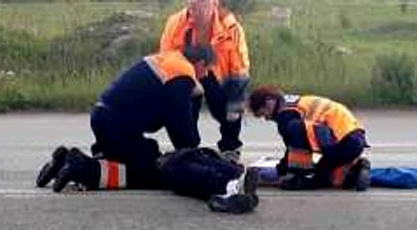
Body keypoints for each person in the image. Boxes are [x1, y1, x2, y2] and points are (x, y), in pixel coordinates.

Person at [35, 47, 213, 193]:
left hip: (105, 116)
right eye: (207, 71)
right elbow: (183, 137)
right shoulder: (181, 75)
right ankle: (82, 169)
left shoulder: (168, 60)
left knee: (131, 158)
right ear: (200, 63)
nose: (205, 77)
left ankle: (62, 161)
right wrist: (196, 99)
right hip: (119, 125)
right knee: (146, 173)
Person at [36, 146, 260, 214]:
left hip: (162, 159)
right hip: (170, 163)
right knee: (188, 177)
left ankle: (70, 161)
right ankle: (231, 187)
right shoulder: (216, 163)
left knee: (125, 175)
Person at [160, 0, 250, 162]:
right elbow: (166, 58)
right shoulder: (175, 23)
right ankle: (187, 148)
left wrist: (236, 98)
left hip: (220, 75)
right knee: (183, 105)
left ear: (214, 3)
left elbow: (240, 65)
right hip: (186, 70)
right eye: (193, 3)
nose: (197, 7)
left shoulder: (230, 26)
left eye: (203, 2)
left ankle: (230, 147)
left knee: (230, 108)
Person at [247, 85, 372, 191]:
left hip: (343, 140)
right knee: (327, 174)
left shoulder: (286, 115)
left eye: (264, 114)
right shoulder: (293, 103)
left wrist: (286, 173)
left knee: (316, 179)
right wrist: (281, 169)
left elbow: (294, 149)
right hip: (353, 137)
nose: (267, 119)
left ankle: (299, 177)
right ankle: (357, 169)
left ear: (269, 102)